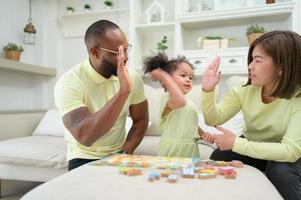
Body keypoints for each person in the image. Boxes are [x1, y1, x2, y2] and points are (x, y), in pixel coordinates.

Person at [201, 30, 301, 200]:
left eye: (258, 60)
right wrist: (208, 90)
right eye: (252, 59)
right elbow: (213, 119)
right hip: (255, 146)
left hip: (288, 155)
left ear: (282, 68)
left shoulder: (298, 98)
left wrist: (236, 143)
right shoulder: (244, 90)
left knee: (280, 171)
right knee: (219, 157)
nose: (250, 66)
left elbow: (290, 151)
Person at [54, 20, 149, 171]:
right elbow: (86, 136)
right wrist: (123, 92)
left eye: (126, 49)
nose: (124, 57)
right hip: (83, 156)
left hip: (119, 153)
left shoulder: (133, 77)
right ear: (95, 52)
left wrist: (126, 150)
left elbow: (141, 119)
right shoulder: (70, 82)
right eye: (117, 53)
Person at [144, 53, 214, 158]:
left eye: (191, 77)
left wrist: (202, 133)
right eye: (183, 75)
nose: (188, 80)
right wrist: (162, 75)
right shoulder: (168, 99)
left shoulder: (189, 102)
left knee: (189, 174)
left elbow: (191, 122)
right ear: (167, 80)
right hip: (173, 149)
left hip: (190, 148)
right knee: (170, 174)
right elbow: (180, 101)